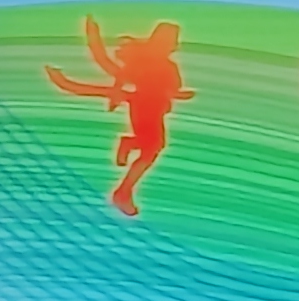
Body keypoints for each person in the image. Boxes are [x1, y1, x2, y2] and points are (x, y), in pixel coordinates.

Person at [45, 17, 195, 217]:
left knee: (152, 146)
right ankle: (124, 186)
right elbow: (121, 74)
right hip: (144, 107)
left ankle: (126, 173)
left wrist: (178, 95)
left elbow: (169, 88)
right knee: (153, 147)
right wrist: (117, 91)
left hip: (153, 107)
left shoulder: (168, 66)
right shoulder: (149, 64)